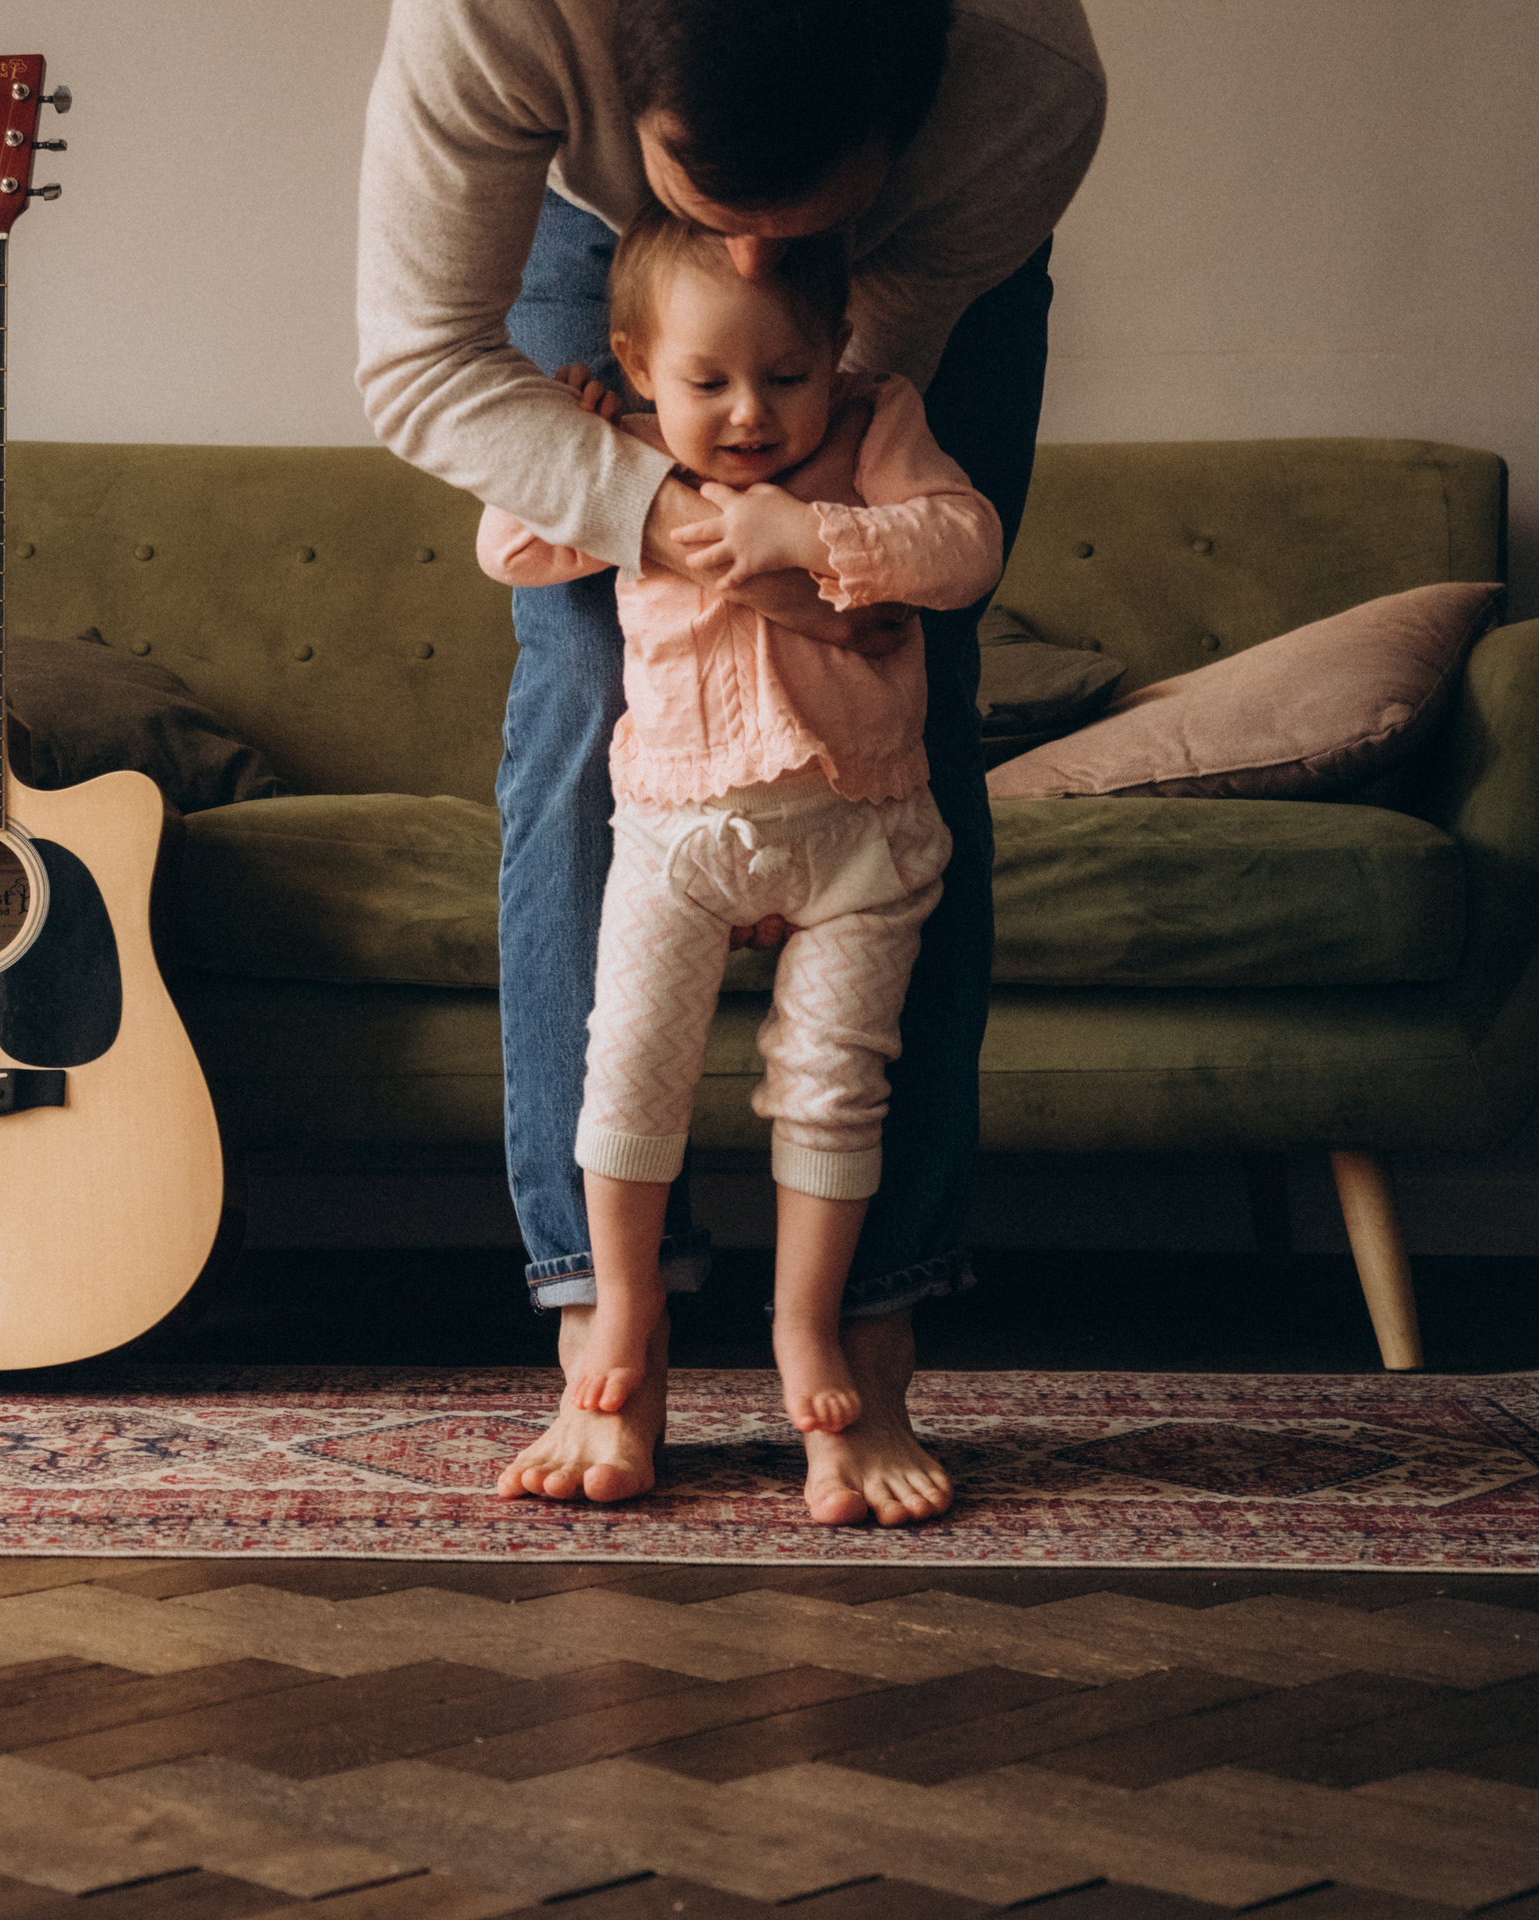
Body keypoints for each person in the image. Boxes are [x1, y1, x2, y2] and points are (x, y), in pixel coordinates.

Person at [356, 0, 1105, 1525]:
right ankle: (603, 1331)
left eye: (800, 223)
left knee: (908, 684)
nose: (757, 263)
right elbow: (425, 365)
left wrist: (820, 554)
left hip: (905, 301)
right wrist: (664, 512)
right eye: (723, 209)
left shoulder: (1022, 88)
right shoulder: (493, 23)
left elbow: (873, 464)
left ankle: (865, 1336)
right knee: (581, 668)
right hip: (593, 236)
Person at [475, 208, 1002, 1463]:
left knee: (831, 1088)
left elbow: (966, 545)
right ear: (643, 362)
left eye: (786, 376)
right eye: (707, 381)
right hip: (673, 833)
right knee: (630, 1072)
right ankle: (626, 1314)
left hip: (857, 832)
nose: (751, 416)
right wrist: (576, 442)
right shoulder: (633, 445)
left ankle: (812, 1327)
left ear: (839, 355)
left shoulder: (873, 431)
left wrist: (812, 538)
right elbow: (506, 546)